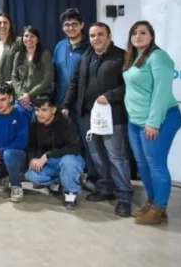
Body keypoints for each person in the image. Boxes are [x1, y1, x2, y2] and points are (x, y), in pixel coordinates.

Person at [62, 23, 132, 217]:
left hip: (113, 117)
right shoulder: (86, 56)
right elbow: (75, 82)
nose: (96, 39)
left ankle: (124, 197)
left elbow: (130, 86)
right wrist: (66, 105)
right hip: (88, 116)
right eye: (93, 35)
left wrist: (110, 95)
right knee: (97, 155)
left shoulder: (122, 56)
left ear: (109, 36)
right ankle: (105, 188)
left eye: (100, 34)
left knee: (116, 157)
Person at [122, 21, 181, 225]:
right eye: (134, 33)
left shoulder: (158, 57)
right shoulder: (134, 57)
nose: (138, 36)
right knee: (142, 164)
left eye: (143, 32)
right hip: (136, 121)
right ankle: (151, 201)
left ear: (151, 36)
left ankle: (159, 208)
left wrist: (154, 122)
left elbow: (161, 92)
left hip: (160, 119)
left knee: (156, 164)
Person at [25, 94, 85, 210]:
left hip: (68, 158)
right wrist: (32, 159)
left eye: (44, 110)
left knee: (69, 162)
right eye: (37, 110)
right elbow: (31, 145)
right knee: (31, 175)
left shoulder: (66, 121)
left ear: (53, 109)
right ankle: (66, 179)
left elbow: (74, 147)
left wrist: (48, 155)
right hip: (49, 162)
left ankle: (70, 194)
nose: (39, 114)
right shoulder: (34, 123)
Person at [11, 26, 54, 112]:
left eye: (32, 36)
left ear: (37, 39)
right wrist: (21, 96)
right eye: (26, 36)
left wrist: (29, 95)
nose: (29, 39)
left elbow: (48, 79)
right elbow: (14, 77)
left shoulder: (45, 55)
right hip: (21, 99)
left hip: (39, 99)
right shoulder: (18, 55)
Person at [54, 8, 89, 107]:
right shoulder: (59, 46)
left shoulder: (90, 47)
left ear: (81, 25)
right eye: (66, 25)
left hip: (83, 103)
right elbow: (55, 73)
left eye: (74, 24)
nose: (70, 28)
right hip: (61, 101)